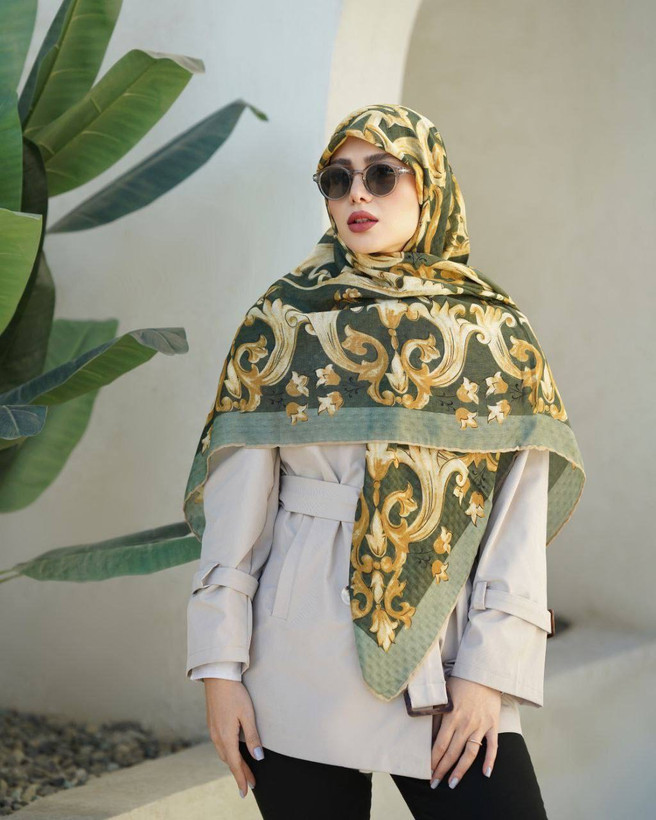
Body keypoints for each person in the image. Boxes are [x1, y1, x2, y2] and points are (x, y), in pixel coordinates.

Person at [182, 103, 585, 819]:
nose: (356, 195)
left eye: (381, 174)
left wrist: (488, 677)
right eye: (337, 180)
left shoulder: (493, 331)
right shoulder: (282, 322)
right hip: (293, 661)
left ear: (430, 185)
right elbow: (238, 519)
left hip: (447, 658)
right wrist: (219, 670)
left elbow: (514, 526)